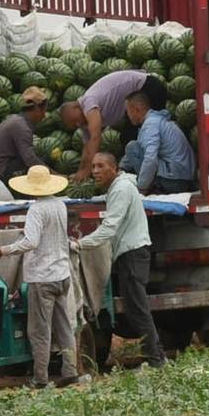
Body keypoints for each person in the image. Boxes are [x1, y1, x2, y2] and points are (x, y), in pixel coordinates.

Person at [0, 164, 79, 387]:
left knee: (39, 330)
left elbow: (31, 242)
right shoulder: (60, 205)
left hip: (42, 277)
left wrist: (2, 250)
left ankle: (40, 378)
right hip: (61, 274)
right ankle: (70, 370)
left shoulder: (37, 209)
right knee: (64, 326)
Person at [81, 150, 163, 369]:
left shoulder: (121, 189)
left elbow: (109, 227)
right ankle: (154, 356)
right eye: (93, 167)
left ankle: (156, 359)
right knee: (136, 307)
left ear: (114, 168)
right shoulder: (119, 188)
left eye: (101, 166)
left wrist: (81, 244)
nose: (95, 171)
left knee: (138, 308)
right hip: (132, 253)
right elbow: (109, 201)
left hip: (133, 254)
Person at [118, 77, 196, 194]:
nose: (127, 116)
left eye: (128, 111)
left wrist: (142, 188)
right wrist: (120, 168)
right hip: (183, 177)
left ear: (137, 109)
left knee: (132, 147)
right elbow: (141, 150)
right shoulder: (158, 120)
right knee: (136, 146)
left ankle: (152, 188)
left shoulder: (150, 125)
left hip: (174, 180)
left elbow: (150, 158)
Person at [63, 65, 154, 164]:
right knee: (127, 137)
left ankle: (148, 171)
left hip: (146, 86)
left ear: (77, 107)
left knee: (143, 134)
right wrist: (81, 171)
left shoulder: (89, 102)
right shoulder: (83, 121)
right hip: (136, 95)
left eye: (75, 120)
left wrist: (88, 169)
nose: (77, 124)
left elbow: (96, 137)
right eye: (74, 125)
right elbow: (88, 147)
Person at [0, 86, 45, 185]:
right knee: (36, 163)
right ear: (37, 108)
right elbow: (30, 159)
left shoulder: (15, 120)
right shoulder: (22, 127)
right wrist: (52, 175)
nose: (44, 115)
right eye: (43, 110)